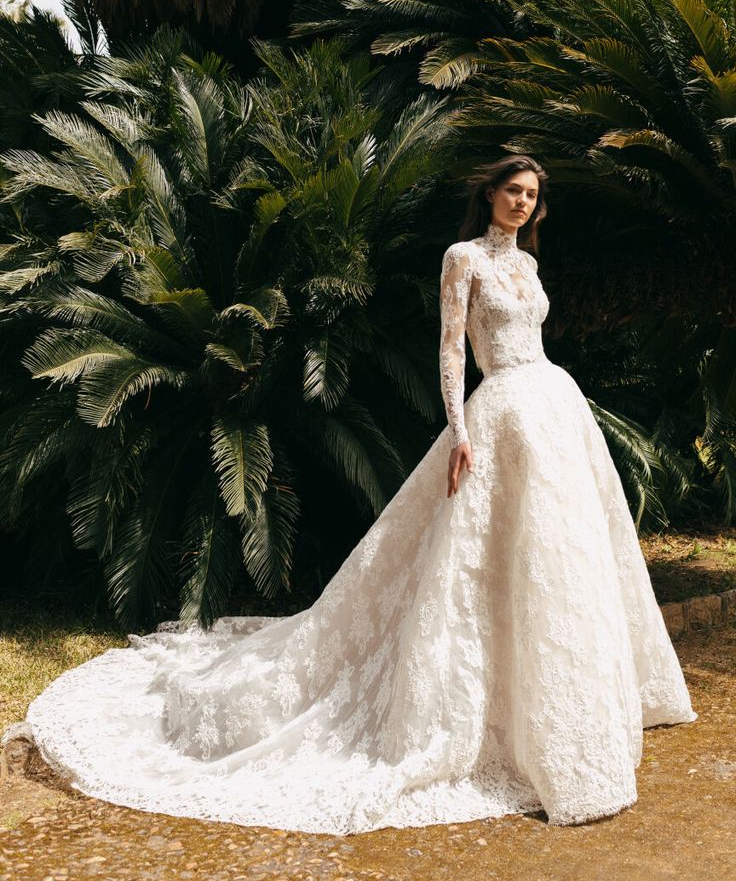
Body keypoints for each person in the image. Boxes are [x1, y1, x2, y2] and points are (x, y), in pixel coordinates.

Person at [8, 154, 697, 834]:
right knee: (481, 560)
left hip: (552, 406)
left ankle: (576, 707)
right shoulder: (463, 257)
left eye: (532, 195)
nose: (522, 202)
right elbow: (452, 349)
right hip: (497, 415)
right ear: (488, 194)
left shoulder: (531, 265)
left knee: (562, 555)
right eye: (512, 191)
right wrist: (458, 430)